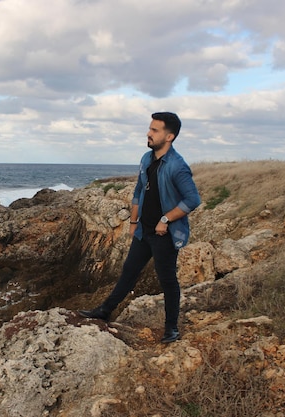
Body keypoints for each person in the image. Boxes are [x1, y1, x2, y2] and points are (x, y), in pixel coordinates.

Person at [79, 112, 201, 343]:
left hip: (164, 234)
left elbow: (192, 199)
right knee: (129, 271)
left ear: (169, 137)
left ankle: (171, 328)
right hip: (143, 230)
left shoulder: (177, 166)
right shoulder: (147, 158)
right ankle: (105, 310)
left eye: (155, 130)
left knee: (167, 280)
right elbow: (138, 192)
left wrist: (165, 220)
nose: (148, 133)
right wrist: (133, 223)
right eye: (150, 128)